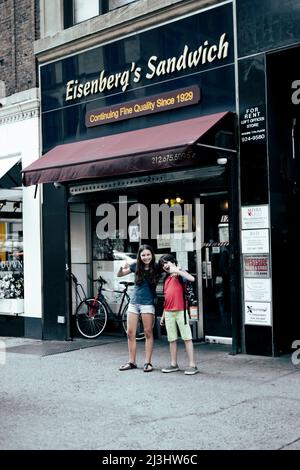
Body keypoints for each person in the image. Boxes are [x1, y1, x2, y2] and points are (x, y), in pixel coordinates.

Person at [117, 244, 159, 372]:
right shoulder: (136, 266)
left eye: (148, 254)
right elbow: (120, 274)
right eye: (143, 255)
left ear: (152, 255)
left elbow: (170, 266)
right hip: (134, 302)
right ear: (140, 256)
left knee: (147, 332)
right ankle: (132, 362)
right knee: (130, 333)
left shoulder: (156, 267)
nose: (146, 257)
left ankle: (148, 363)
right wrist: (121, 267)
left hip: (147, 303)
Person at [159, 254, 199, 375]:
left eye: (167, 262)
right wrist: (163, 315)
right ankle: (173, 364)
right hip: (169, 312)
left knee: (187, 338)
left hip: (181, 311)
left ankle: (192, 364)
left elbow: (192, 278)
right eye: (163, 264)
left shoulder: (180, 273)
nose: (165, 265)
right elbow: (166, 299)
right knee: (172, 339)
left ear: (173, 262)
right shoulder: (167, 278)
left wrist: (177, 270)